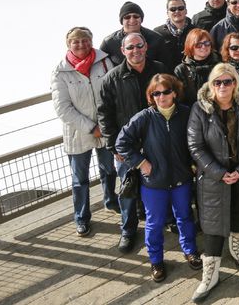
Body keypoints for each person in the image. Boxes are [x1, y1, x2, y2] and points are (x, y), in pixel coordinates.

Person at [187, 63, 239, 301]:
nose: (223, 86)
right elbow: (195, 146)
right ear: (211, 85)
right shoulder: (199, 109)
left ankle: (237, 247)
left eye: (228, 81)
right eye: (217, 82)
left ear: (235, 83)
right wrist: (219, 173)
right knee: (212, 224)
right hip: (213, 178)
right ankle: (210, 274)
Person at [115, 74, 200, 283]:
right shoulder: (144, 117)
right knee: (154, 223)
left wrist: (194, 162)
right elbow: (121, 143)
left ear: (174, 92)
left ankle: (190, 250)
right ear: (151, 96)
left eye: (166, 91)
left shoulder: (186, 113)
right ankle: (156, 261)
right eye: (156, 93)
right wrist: (141, 162)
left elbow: (196, 140)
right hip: (154, 183)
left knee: (185, 216)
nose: (161, 97)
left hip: (181, 178)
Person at [98, 32, 166, 253]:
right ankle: (128, 230)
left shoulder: (158, 69)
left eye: (139, 46)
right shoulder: (112, 78)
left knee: (161, 182)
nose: (135, 51)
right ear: (122, 51)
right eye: (130, 48)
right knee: (127, 189)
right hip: (127, 146)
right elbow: (105, 114)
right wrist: (112, 146)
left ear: (146, 46)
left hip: (157, 141)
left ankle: (168, 219)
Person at [51, 27, 117, 237]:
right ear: (68, 44)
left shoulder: (105, 62)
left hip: (105, 128)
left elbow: (114, 92)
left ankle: (110, 201)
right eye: (76, 41)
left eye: (85, 40)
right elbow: (63, 108)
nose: (81, 45)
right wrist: (90, 127)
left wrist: (105, 125)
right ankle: (81, 217)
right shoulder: (61, 71)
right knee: (80, 179)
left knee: (108, 169)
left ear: (91, 41)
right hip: (78, 133)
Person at [99, 1, 164, 67]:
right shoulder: (109, 43)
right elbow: (100, 67)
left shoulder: (156, 39)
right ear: (122, 21)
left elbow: (166, 67)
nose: (132, 20)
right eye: (127, 17)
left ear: (141, 19)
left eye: (136, 16)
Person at [173, 28, 220, 106]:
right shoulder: (181, 70)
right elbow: (179, 99)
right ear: (190, 46)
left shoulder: (220, 66)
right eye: (199, 44)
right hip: (191, 113)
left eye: (207, 43)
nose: (203, 47)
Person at [153, 0, 195, 73]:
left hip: (191, 78)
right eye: (173, 9)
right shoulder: (157, 33)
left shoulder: (195, 31)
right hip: (167, 79)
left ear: (186, 11)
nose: (177, 11)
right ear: (167, 13)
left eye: (180, 8)